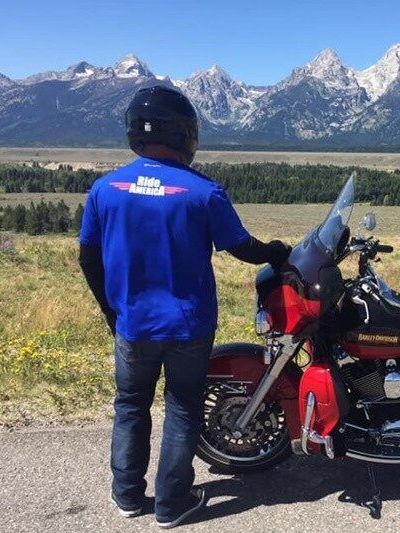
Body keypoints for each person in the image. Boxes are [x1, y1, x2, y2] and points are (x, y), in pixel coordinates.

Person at [78, 85, 290, 528]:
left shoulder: (104, 189)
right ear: (184, 134)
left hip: (132, 323)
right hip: (188, 325)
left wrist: (109, 310)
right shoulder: (202, 191)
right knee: (182, 407)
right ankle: (172, 504)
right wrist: (278, 252)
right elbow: (243, 248)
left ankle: (127, 495)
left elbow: (88, 258)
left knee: (131, 405)